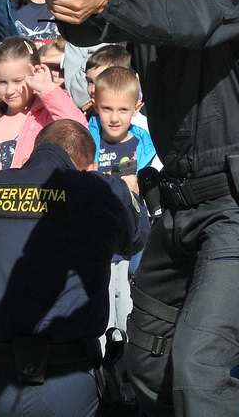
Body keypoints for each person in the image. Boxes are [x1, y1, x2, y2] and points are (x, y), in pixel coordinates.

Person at [48, 0, 239, 416]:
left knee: (200, 367)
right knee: (144, 362)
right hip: (177, 203)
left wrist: (104, 0)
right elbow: (85, 29)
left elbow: (191, 20)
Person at [0, 119, 148, 417]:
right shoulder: (94, 190)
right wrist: (127, 192)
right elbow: (136, 240)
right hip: (63, 382)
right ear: (86, 165)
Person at [88, 66, 159, 333]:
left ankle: (128, 355)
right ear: (95, 105)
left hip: (133, 233)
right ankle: (102, 353)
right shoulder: (89, 138)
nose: (115, 118)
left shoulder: (145, 145)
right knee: (103, 294)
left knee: (128, 294)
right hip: (99, 233)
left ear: (136, 108)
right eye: (107, 109)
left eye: (123, 110)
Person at [0, 37, 86, 185]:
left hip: (36, 202)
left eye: (18, 81)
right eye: (2, 82)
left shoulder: (47, 112)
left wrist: (47, 89)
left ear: (35, 73)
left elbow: (79, 129)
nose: (9, 90)